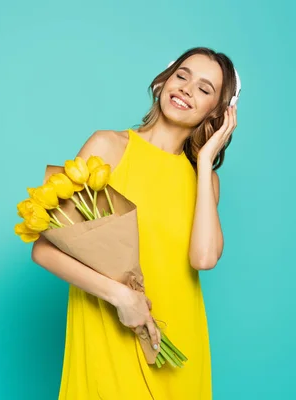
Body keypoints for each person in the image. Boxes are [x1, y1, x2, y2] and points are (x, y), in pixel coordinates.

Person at [31, 46, 239, 399]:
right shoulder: (109, 147)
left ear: (217, 112)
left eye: (204, 89)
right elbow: (44, 250)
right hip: (109, 329)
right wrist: (121, 297)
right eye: (182, 76)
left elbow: (203, 259)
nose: (187, 89)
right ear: (164, 82)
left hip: (179, 344)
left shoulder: (206, 181)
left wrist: (205, 163)